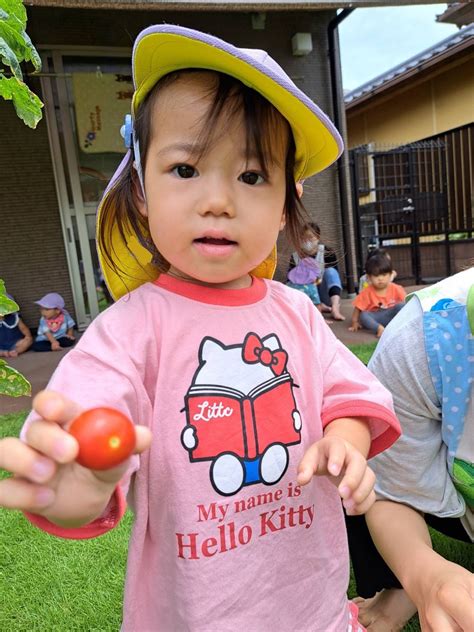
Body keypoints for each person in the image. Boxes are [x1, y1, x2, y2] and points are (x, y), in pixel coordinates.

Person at [0, 26, 402, 631]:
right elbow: (86, 434)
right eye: (186, 169)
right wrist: (78, 481)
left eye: (250, 176)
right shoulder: (127, 333)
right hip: (195, 614)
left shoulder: (295, 313)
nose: (218, 201)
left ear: (287, 201)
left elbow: (349, 396)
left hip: (311, 604)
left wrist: (344, 441)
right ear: (140, 188)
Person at [346, 267, 474, 632]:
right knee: (355, 444)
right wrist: (425, 575)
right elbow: (388, 489)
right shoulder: (422, 342)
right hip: (445, 490)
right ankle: (399, 585)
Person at [349, 253, 406, 338]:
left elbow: (407, 301)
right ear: (369, 277)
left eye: (384, 275)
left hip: (392, 316)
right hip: (376, 318)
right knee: (364, 315)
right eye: (376, 276)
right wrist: (355, 322)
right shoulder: (367, 292)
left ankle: (401, 326)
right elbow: (358, 308)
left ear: (390, 274)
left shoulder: (396, 288)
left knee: (402, 306)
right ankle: (379, 329)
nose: (380, 279)